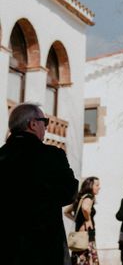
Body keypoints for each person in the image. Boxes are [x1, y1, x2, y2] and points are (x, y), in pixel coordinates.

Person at [0, 103, 78, 265]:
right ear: (33, 124)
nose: (47, 127)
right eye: (45, 122)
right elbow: (69, 192)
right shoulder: (52, 155)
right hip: (45, 249)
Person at [66, 176, 101, 265]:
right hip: (86, 235)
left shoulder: (79, 198)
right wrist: (88, 219)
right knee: (86, 260)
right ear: (90, 186)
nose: (99, 187)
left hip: (79, 234)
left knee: (79, 259)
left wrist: (76, 219)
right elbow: (85, 208)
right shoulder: (89, 197)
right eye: (97, 185)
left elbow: (66, 211)